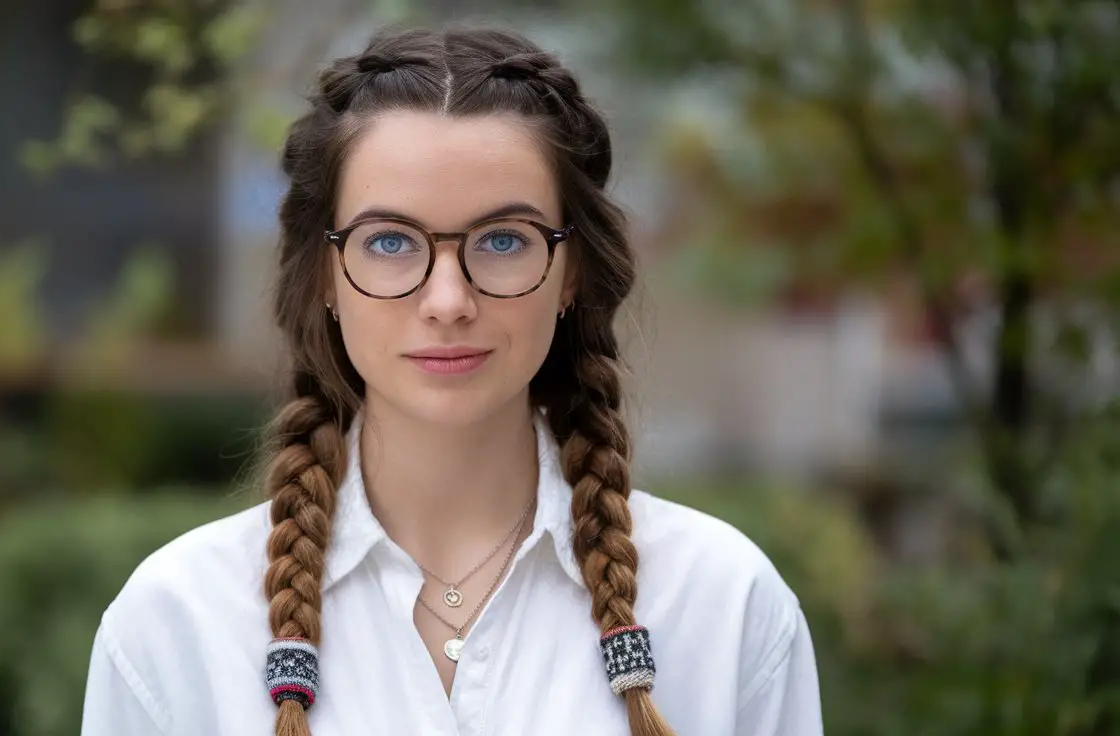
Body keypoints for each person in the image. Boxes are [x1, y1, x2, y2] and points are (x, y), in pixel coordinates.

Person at [80, 24, 823, 736]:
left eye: (503, 240)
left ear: (571, 273)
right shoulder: (178, 623)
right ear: (325, 278)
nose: (447, 302)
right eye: (390, 242)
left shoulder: (724, 606)